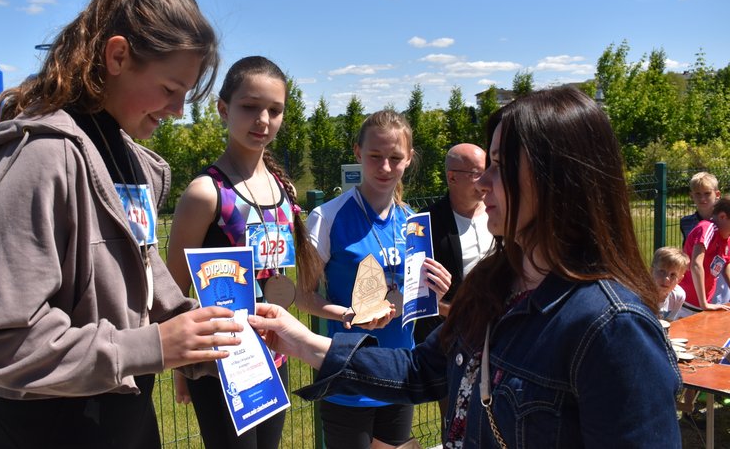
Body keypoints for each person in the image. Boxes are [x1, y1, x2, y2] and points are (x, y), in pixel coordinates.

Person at [251, 86, 682, 448]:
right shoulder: (493, 285)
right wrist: (300, 340)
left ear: (559, 179)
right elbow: (418, 370)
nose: (482, 182)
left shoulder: (614, 329)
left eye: (499, 167)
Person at [0, 0, 244, 449]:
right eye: (170, 90)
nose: (177, 111)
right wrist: (150, 346)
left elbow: (144, 283)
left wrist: (212, 333)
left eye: (186, 95)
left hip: (127, 421)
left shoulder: (129, 159)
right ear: (118, 56)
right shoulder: (40, 157)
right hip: (51, 429)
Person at [167, 56, 320, 449]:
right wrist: (181, 367)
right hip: (221, 363)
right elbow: (172, 290)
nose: (263, 120)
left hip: (273, 357)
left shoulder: (283, 189)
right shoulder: (206, 194)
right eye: (250, 107)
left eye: (275, 110)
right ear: (223, 109)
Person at [295, 109, 451, 449]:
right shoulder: (327, 216)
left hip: (400, 370)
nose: (385, 167)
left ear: (409, 158)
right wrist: (347, 314)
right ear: (357, 153)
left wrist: (435, 293)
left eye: (395, 158)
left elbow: (412, 299)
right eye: (375, 156)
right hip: (349, 372)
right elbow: (303, 296)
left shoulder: (413, 222)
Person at [413, 143, 493, 428]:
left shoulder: (499, 212)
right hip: (450, 342)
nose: (486, 181)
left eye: (489, 171)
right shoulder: (425, 224)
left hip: (499, 336)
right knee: (458, 425)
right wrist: (458, 312)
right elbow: (418, 297)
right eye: (477, 174)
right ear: (452, 177)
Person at [677, 198, 730, 317]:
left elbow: (726, 264)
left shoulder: (726, 239)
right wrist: (704, 303)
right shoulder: (707, 228)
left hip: (703, 304)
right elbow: (696, 264)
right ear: (722, 217)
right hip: (685, 303)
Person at [679, 172, 721, 244]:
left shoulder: (724, 221)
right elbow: (686, 249)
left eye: (707, 193)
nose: (702, 198)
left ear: (717, 194)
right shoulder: (686, 222)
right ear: (691, 196)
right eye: (698, 194)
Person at [652, 246, 689, 321]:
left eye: (673, 275)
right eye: (662, 271)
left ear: (680, 279)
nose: (666, 279)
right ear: (651, 271)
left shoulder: (678, 296)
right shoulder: (640, 295)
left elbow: (669, 322)